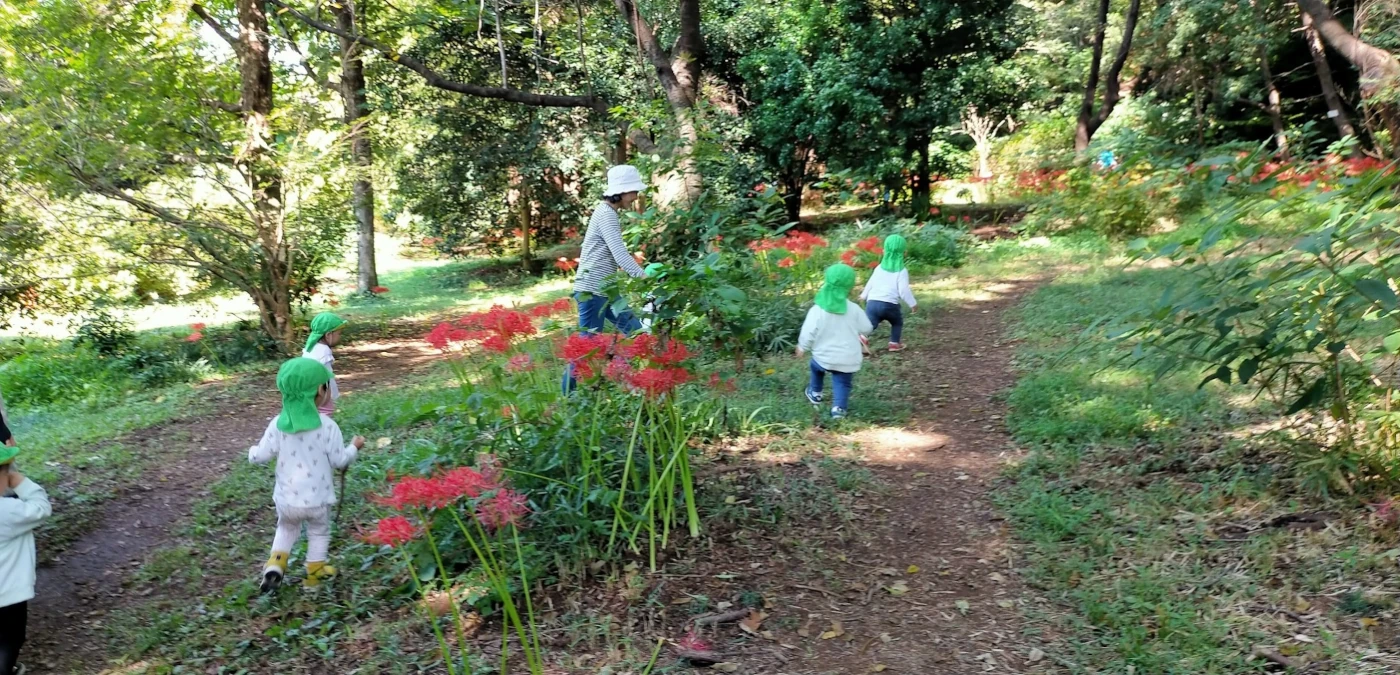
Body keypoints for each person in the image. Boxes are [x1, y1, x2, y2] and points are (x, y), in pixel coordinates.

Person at [249, 358, 363, 593]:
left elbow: (260, 456)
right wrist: (354, 447)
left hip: (286, 500)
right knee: (319, 532)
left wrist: (251, 452)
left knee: (286, 529)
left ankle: (275, 565)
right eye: (327, 384)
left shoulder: (278, 425)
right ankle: (314, 576)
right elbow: (340, 460)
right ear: (319, 391)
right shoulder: (327, 426)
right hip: (318, 501)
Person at [564, 165, 652, 392]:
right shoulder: (606, 214)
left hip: (607, 291)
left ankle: (632, 382)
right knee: (585, 346)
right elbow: (619, 253)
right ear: (622, 191)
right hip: (592, 291)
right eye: (634, 192)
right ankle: (569, 396)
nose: (636, 197)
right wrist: (642, 276)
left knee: (634, 330)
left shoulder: (608, 213)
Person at [0, 442, 51, 675]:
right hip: (7, 597)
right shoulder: (7, 511)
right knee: (8, 641)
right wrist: (21, 482)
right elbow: (41, 508)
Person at [798, 264, 874, 420]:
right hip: (848, 358)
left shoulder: (817, 310)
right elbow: (867, 328)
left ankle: (815, 392)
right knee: (843, 382)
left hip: (823, 357)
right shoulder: (853, 309)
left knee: (815, 367)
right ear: (850, 287)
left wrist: (802, 346)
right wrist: (859, 332)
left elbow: (808, 331)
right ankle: (839, 409)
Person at [860, 234, 918, 352]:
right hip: (890, 305)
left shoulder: (879, 268)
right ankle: (894, 344)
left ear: (884, 251)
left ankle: (862, 337)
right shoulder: (901, 271)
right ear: (904, 252)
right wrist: (912, 303)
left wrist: (863, 295)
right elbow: (903, 291)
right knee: (897, 322)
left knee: (872, 322)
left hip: (872, 303)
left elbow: (871, 283)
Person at [302, 312, 347, 415]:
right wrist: (332, 395)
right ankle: (325, 430)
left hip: (308, 391)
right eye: (339, 333)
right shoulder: (324, 351)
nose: (340, 337)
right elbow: (327, 377)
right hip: (321, 393)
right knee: (325, 414)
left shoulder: (311, 347)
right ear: (328, 335)